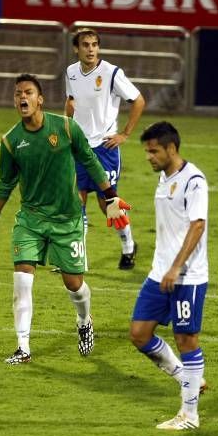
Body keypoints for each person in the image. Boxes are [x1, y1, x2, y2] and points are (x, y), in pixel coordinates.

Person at [0, 73, 131, 364]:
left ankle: (84, 321)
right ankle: (23, 347)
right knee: (22, 281)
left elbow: (91, 161)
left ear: (40, 98)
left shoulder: (66, 128)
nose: (22, 98)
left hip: (67, 221)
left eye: (28, 92)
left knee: (74, 284)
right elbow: (5, 183)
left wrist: (110, 196)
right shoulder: (10, 141)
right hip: (30, 221)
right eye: (18, 93)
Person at [129, 122, 209, 430]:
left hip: (187, 276)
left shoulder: (194, 181)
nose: (148, 157)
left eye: (153, 151)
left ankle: (189, 415)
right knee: (139, 333)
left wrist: (176, 267)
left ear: (171, 148)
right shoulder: (165, 178)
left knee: (186, 338)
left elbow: (197, 225)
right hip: (159, 272)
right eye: (147, 151)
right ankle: (188, 378)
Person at [65, 28, 146, 271]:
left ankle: (129, 246)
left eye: (94, 44)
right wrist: (67, 120)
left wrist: (125, 134)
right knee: (76, 201)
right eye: (86, 45)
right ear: (76, 49)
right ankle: (79, 258)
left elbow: (138, 100)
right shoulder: (70, 72)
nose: (91, 49)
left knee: (107, 204)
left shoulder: (111, 73)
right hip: (79, 147)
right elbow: (70, 101)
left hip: (105, 149)